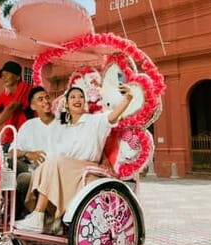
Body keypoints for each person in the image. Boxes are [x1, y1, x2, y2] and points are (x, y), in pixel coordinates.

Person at [16, 83, 133, 233]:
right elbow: (55, 153)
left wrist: (128, 97)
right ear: (67, 103)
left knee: (54, 162)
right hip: (67, 170)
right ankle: (43, 217)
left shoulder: (96, 121)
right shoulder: (62, 128)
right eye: (72, 97)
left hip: (87, 170)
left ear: (84, 102)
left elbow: (114, 114)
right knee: (44, 167)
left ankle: (38, 216)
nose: (77, 99)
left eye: (80, 97)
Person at [12, 85, 56, 218]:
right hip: (31, 167)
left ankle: (30, 217)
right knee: (8, 161)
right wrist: (27, 153)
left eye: (47, 97)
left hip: (52, 172)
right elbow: (12, 151)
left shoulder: (62, 123)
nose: (46, 101)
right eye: (40, 99)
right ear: (33, 106)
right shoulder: (28, 126)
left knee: (23, 179)